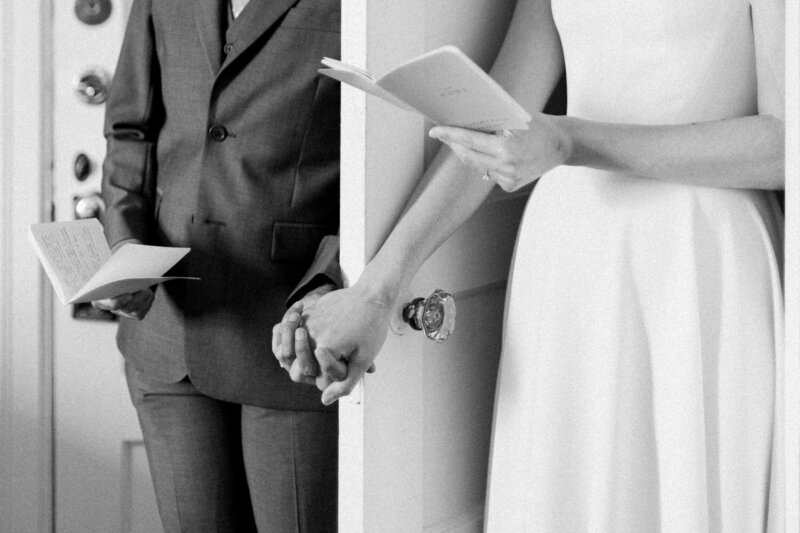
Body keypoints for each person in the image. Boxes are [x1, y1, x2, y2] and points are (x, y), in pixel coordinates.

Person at [274, 0, 785, 530]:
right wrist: (376, 292)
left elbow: (783, 144)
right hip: (572, 256)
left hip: (698, 255)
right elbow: (495, 124)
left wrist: (569, 141)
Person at [93, 0, 343, 530]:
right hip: (167, 335)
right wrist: (123, 247)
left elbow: (384, 159)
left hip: (292, 342)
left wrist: (328, 277)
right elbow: (130, 130)